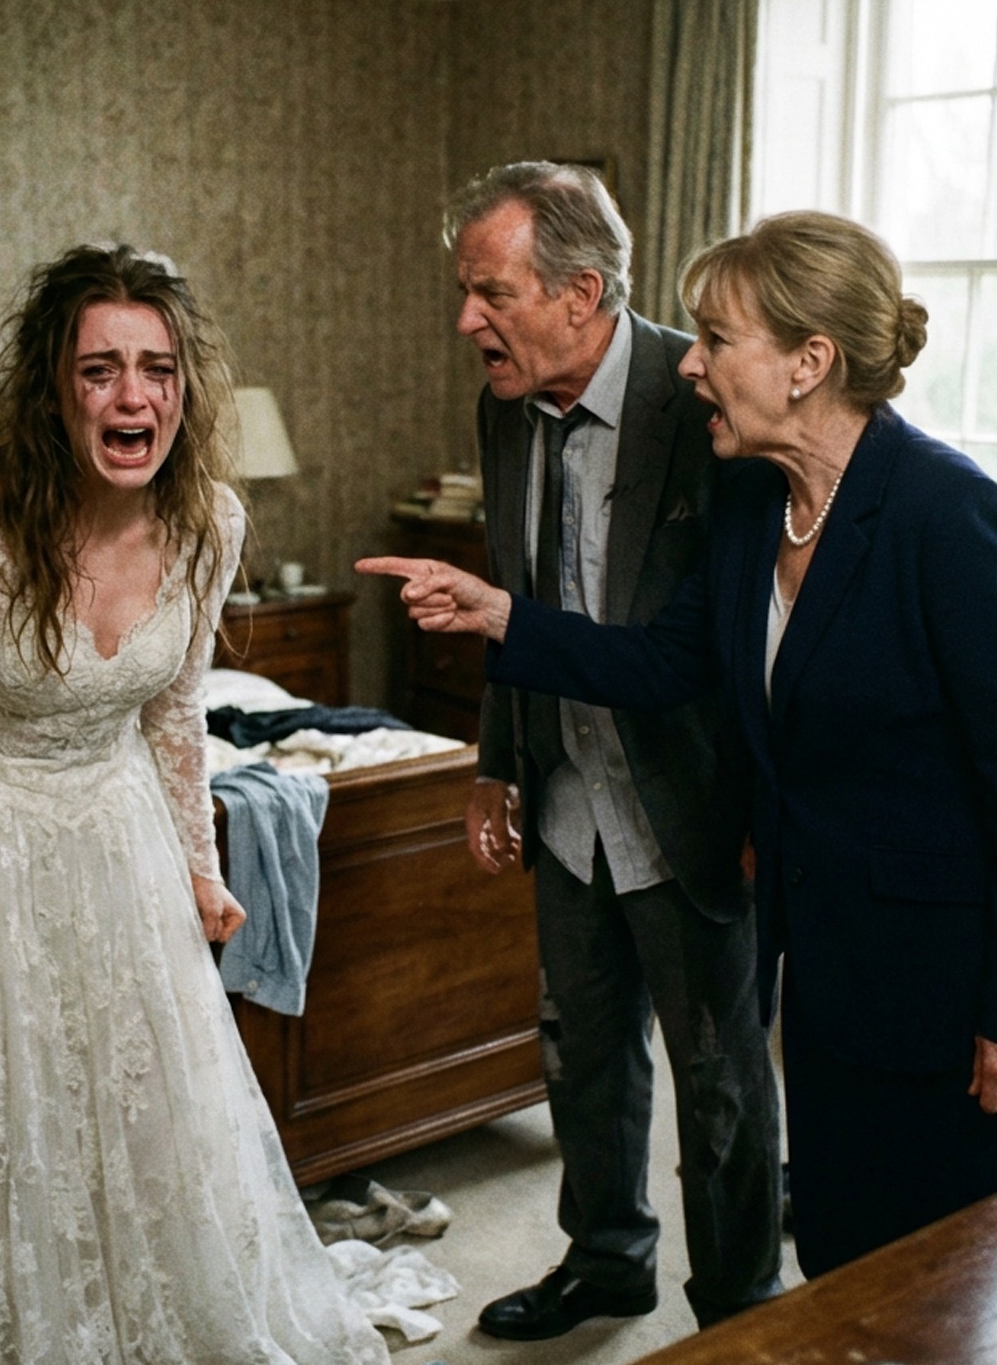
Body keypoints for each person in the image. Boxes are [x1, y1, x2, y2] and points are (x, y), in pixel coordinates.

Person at [360, 209, 997, 1282]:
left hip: (937, 984)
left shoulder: (949, 515)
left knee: (937, 1279)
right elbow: (663, 663)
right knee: (839, 1257)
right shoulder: (755, 505)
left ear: (808, 364)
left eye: (716, 339)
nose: (690, 364)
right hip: (820, 970)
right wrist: (498, 615)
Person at [0, 244, 389, 1364]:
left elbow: (174, 710)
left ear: (184, 388)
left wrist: (202, 868)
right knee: (12, 1124)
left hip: (120, 835)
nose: (134, 396)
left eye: (157, 369)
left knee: (149, 1111)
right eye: (100, 371)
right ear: (53, 392)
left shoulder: (211, 523)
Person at [375, 161, 783, 1337]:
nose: (468, 321)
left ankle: (743, 1305)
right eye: (465, 292)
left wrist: (762, 812)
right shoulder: (501, 406)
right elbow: (515, 591)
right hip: (566, 797)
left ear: (581, 292)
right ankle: (607, 1262)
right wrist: (495, 763)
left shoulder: (703, 398)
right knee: (583, 1053)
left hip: (688, 803)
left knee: (718, 1079)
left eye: (491, 293)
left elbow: (724, 646)